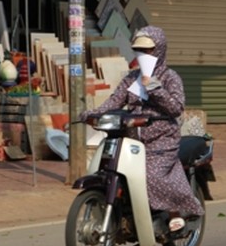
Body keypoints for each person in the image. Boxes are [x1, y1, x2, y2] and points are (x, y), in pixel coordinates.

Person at [80, 25, 204, 232]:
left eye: (148, 50)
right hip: (131, 139)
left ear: (160, 50)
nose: (143, 54)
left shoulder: (170, 77)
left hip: (162, 139)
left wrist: (154, 87)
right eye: (140, 50)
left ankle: (176, 211)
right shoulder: (131, 78)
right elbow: (114, 101)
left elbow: (176, 108)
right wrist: (93, 113)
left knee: (151, 175)